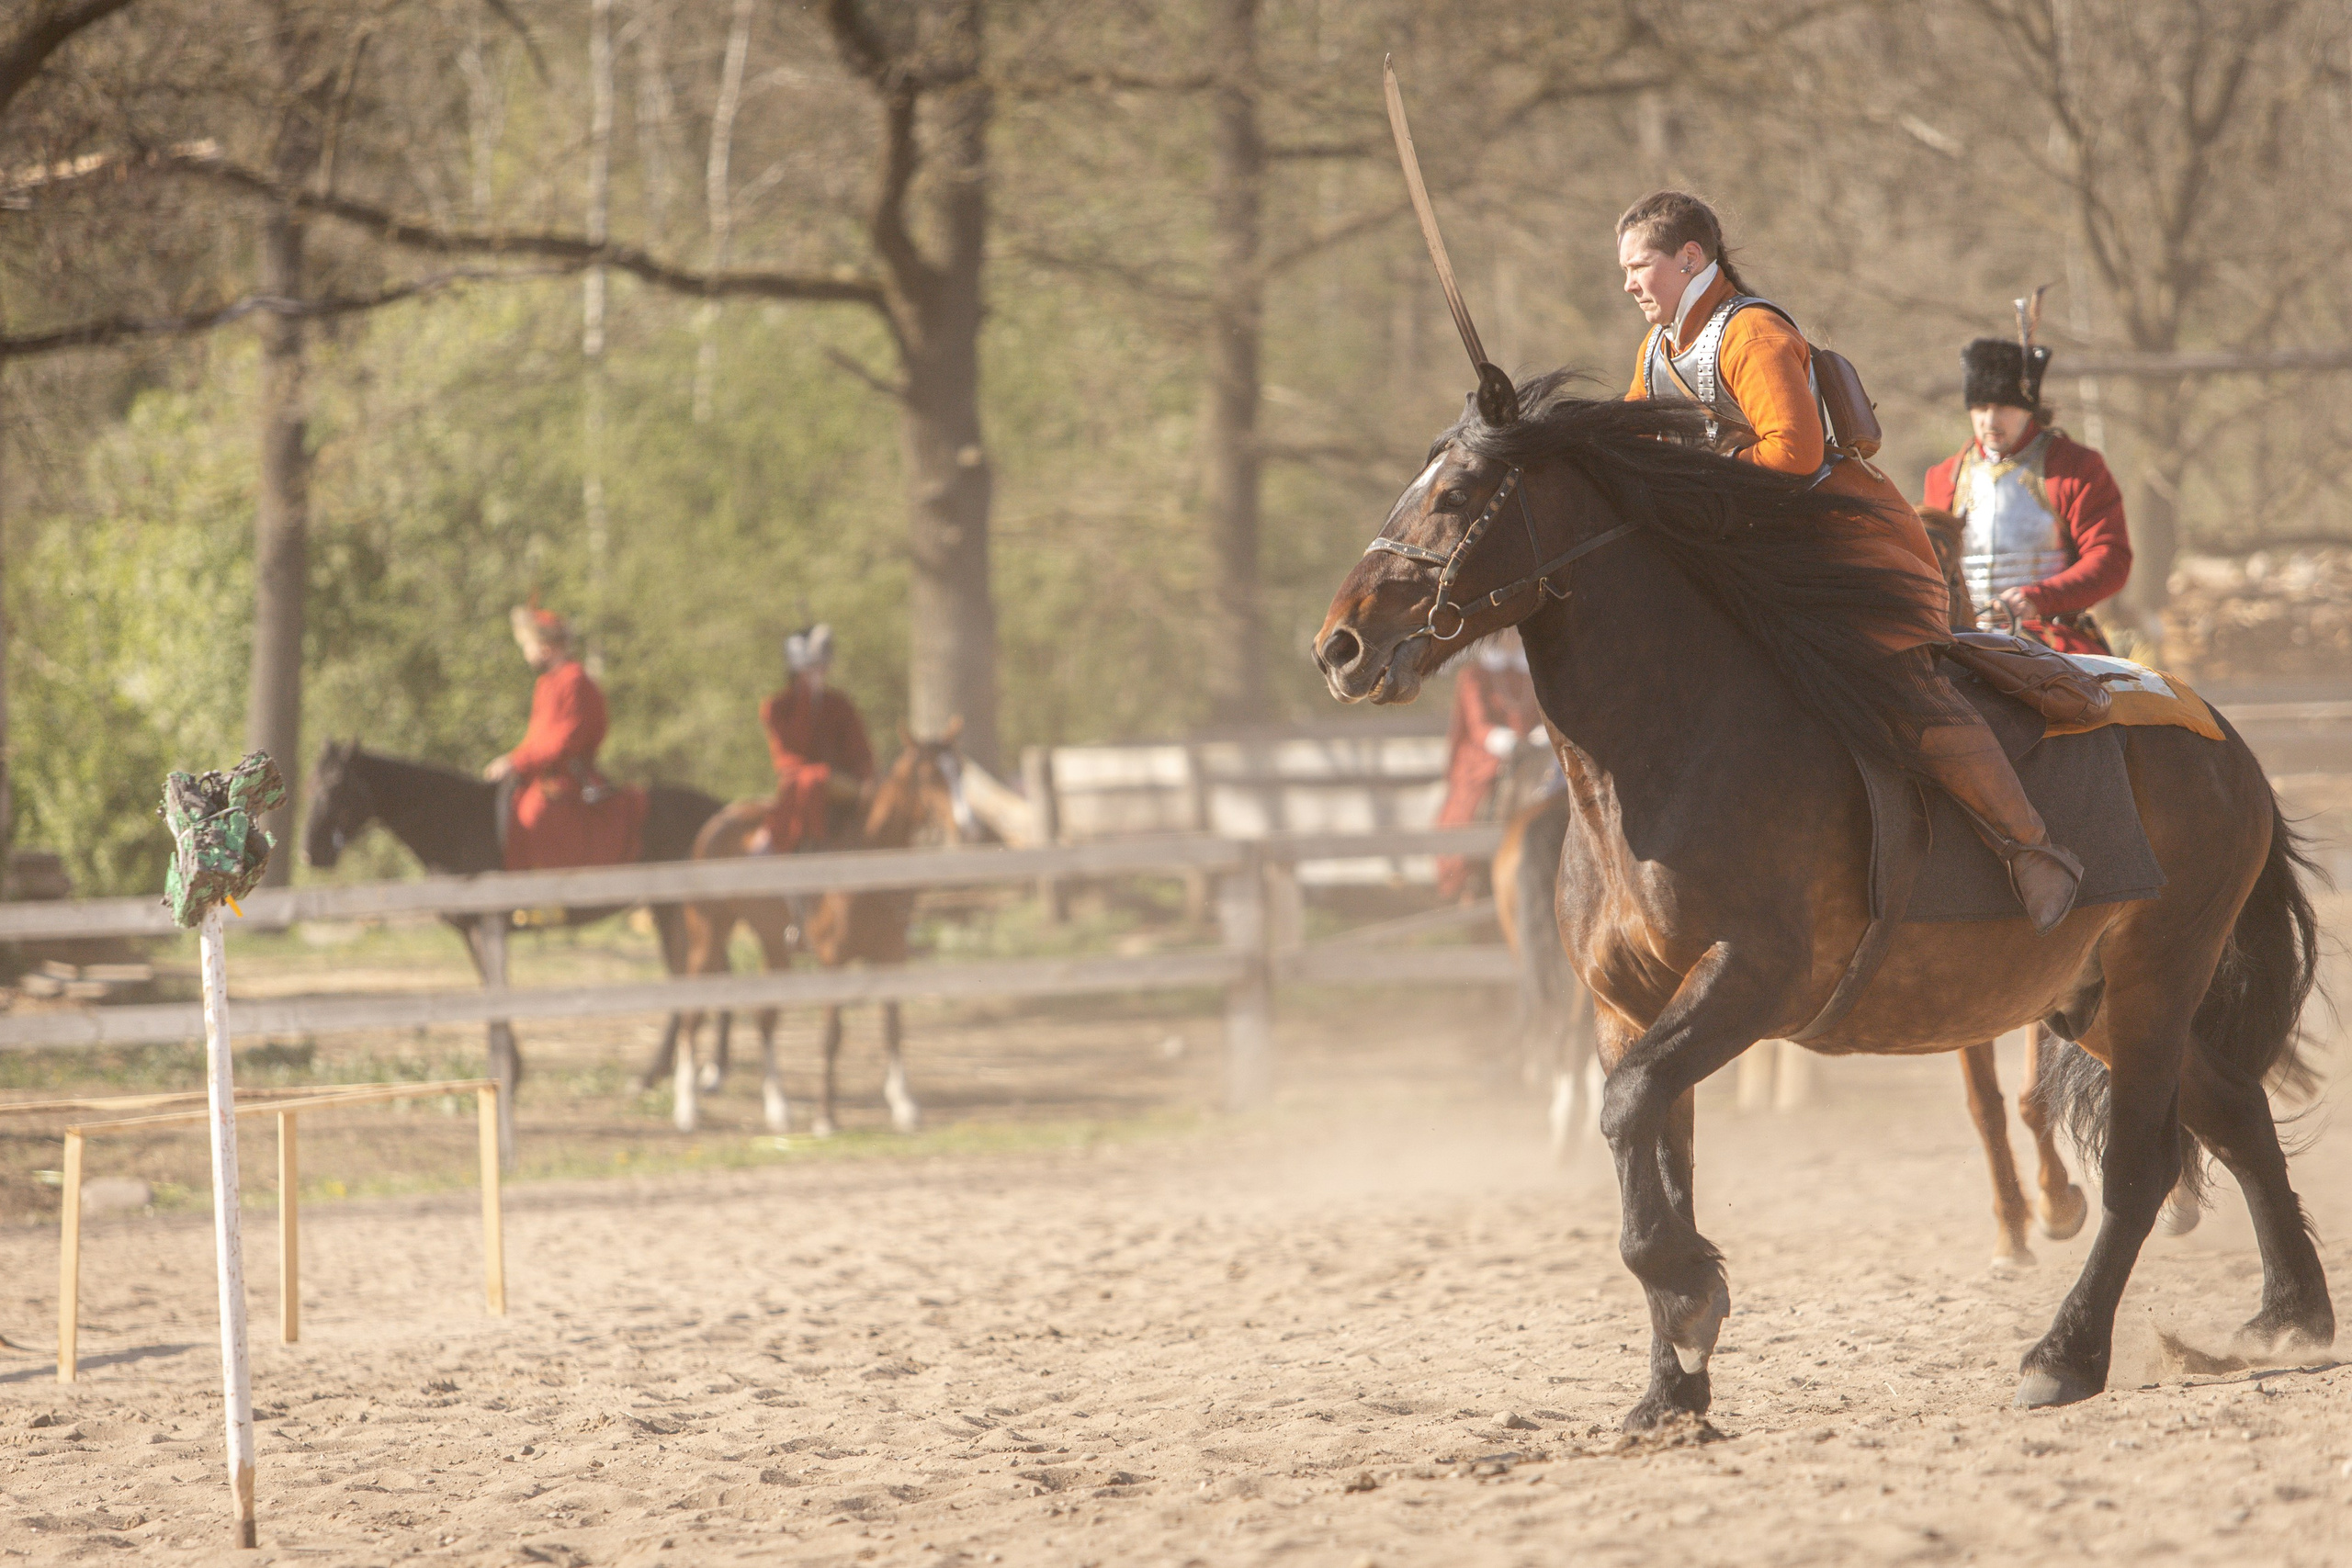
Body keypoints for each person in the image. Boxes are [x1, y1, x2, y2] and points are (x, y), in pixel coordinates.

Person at [1615, 190, 2082, 931]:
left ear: (1690, 258)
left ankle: (2033, 848)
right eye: (1627, 271)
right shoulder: (1657, 350)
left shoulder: (1754, 334)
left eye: (1641, 267)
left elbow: (1795, 458)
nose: (1632, 283)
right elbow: (1634, 445)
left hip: (1842, 542)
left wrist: (1697, 492)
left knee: (1895, 684)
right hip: (1750, 550)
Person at [1922, 337, 2131, 654]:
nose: (1990, 421)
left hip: (2051, 634)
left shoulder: (2075, 467)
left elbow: (2110, 560)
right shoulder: (1944, 477)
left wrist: (2039, 598)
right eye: (1980, 407)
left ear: (2027, 409)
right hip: (1961, 636)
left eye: (2003, 407)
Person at [483, 604, 641, 871]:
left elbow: (565, 741)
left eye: (528, 645)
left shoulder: (574, 681)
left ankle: (547, 902)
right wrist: (512, 760)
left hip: (568, 779)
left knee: (533, 817)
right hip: (541, 777)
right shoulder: (546, 684)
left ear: (545, 646)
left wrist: (517, 763)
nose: (526, 652)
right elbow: (535, 739)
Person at [1435, 630, 1550, 900]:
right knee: (1474, 799)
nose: (1510, 641)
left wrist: (1543, 736)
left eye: (1514, 635)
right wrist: (1508, 742)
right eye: (1504, 636)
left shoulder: (1534, 672)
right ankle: (1469, 872)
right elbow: (1478, 725)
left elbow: (1545, 711)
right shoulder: (1474, 675)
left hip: (1535, 751)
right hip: (1487, 753)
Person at [748, 624, 874, 856]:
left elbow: (858, 749)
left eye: (820, 667)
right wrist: (807, 696)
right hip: (802, 780)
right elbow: (794, 749)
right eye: (810, 668)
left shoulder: (840, 704)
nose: (818, 672)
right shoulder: (776, 707)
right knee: (814, 783)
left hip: (840, 780)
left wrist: (866, 775)